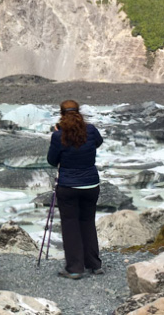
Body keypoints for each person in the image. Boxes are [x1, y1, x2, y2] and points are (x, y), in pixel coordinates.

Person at [47, 99, 104, 279]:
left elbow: (52, 160)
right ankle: (94, 264)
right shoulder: (91, 130)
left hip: (68, 186)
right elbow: (98, 143)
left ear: (62, 114)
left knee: (70, 225)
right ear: (79, 112)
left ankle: (75, 268)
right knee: (87, 222)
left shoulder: (58, 136)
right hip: (91, 184)